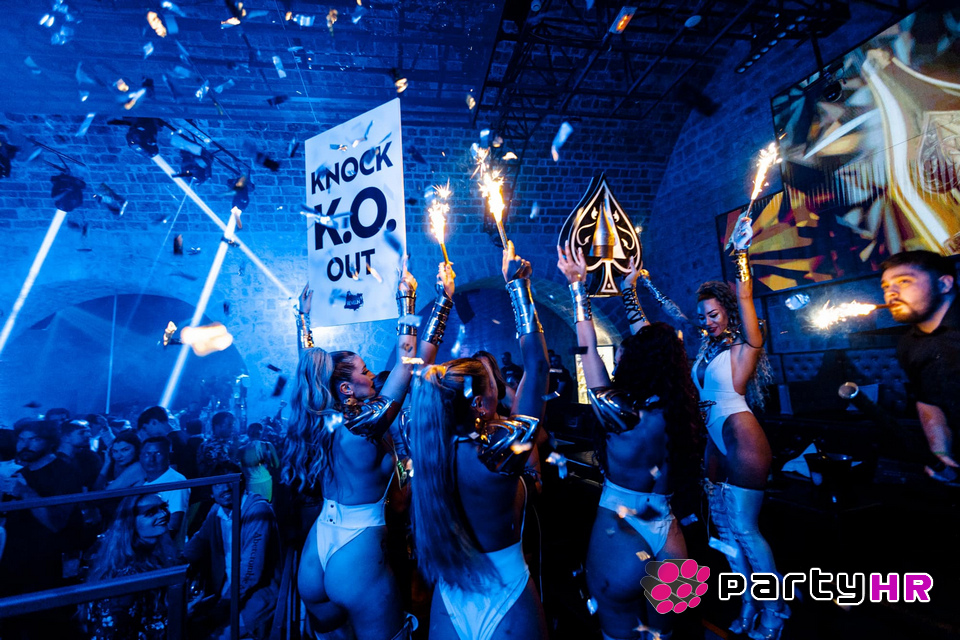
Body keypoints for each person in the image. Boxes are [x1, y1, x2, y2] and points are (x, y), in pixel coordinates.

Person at [284, 260, 449, 640]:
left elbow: (311, 371)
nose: (373, 374)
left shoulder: (325, 420)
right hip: (356, 554)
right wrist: (407, 300)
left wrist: (303, 323)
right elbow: (407, 365)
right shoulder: (362, 428)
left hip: (317, 551)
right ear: (346, 389)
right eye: (364, 371)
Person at [638, 217, 786, 639]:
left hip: (740, 434)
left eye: (714, 314)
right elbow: (676, 315)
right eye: (704, 316)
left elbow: (745, 294)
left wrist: (739, 255)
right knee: (725, 532)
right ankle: (749, 602)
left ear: (728, 311)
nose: (708, 321)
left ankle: (775, 611)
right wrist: (644, 283)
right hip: (714, 441)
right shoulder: (705, 348)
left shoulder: (745, 345)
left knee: (746, 530)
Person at [558, 244, 702, 640]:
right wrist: (629, 291)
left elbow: (587, 349)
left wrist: (578, 288)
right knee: (662, 638)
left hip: (621, 535)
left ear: (633, 362)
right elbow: (657, 348)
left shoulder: (621, 413)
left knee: (618, 635)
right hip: (670, 540)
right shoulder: (680, 407)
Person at [410, 241, 550, 640]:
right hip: (507, 596)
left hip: (449, 600)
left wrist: (442, 302)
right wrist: (518, 286)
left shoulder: (428, 448)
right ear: (477, 402)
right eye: (493, 385)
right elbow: (538, 365)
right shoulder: (497, 454)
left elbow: (418, 376)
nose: (499, 389)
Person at [880, 250, 960, 480]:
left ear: (944, 284)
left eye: (904, 281)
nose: (891, 293)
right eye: (886, 286)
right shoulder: (908, 344)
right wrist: (940, 453)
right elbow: (929, 402)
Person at [183, 462, 280, 640]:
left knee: (212, 635)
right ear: (211, 491)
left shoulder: (257, 511)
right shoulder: (216, 511)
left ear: (241, 483)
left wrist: (222, 607)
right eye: (218, 484)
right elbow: (198, 543)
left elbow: (250, 572)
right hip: (228, 593)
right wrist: (173, 567)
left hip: (257, 596)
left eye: (231, 481)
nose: (226, 488)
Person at [0, 421, 82, 597]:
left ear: (51, 442)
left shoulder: (65, 473)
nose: (25, 445)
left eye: (34, 439)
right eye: (21, 439)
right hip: (15, 562)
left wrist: (25, 492)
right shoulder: (20, 474)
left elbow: (55, 523)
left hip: (45, 564)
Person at [86, 493, 174, 640]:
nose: (163, 514)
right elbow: (114, 634)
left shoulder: (155, 556)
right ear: (131, 524)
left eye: (163, 507)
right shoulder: (126, 575)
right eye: (150, 512)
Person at [141, 437, 190, 538]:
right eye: (147, 454)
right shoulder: (143, 482)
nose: (151, 459)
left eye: (158, 453)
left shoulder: (175, 482)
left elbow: (173, 525)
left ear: (169, 455)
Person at [138, 406, 190, 473]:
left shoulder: (170, 442)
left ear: (154, 422)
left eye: (145, 428)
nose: (147, 432)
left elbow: (171, 470)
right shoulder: (181, 435)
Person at [58, 419, 103, 491]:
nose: (89, 435)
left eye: (88, 431)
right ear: (66, 436)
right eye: (82, 432)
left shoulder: (91, 457)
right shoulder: (52, 459)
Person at [240, 423, 279, 501]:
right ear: (261, 433)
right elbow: (277, 464)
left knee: (253, 504)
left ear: (248, 433)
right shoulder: (267, 445)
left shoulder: (241, 449)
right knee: (266, 503)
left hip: (250, 483)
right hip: (265, 480)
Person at [198, 412, 238, 477]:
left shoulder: (222, 443)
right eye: (229, 425)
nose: (232, 429)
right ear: (218, 426)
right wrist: (236, 449)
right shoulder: (213, 446)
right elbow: (229, 470)